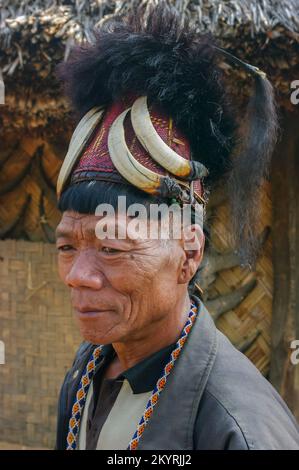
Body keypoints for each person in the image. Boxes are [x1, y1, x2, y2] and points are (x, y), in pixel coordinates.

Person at [54, 3, 299, 450]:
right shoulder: (86, 371)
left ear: (189, 253)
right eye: (68, 246)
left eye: (112, 248)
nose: (77, 275)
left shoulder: (239, 429)